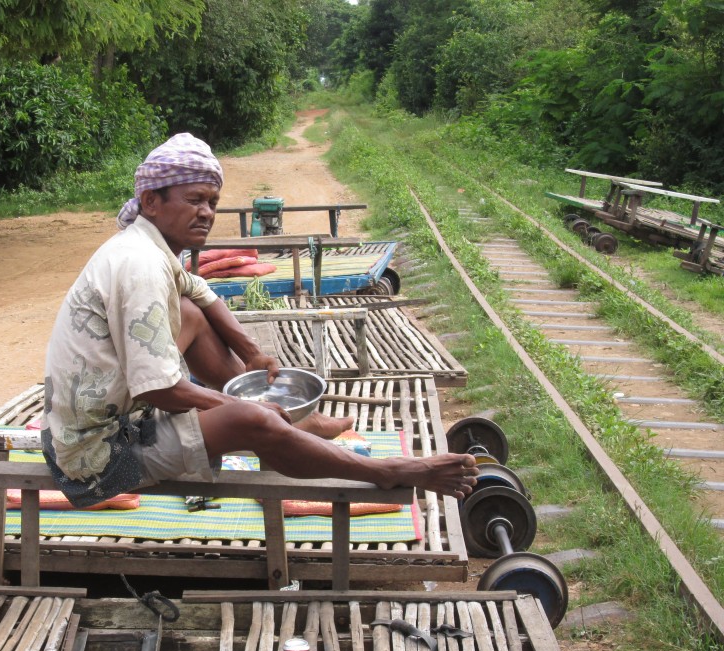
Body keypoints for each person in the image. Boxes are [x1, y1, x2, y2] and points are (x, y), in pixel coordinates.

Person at [40, 133, 478, 508]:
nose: (207, 212)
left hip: (120, 420)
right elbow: (159, 388)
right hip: (98, 458)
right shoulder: (139, 265)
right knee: (250, 421)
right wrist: (241, 407)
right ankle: (381, 469)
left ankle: (291, 426)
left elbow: (200, 293)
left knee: (191, 313)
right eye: (194, 200)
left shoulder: (147, 247)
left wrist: (249, 351)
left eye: (212, 202)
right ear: (150, 201)